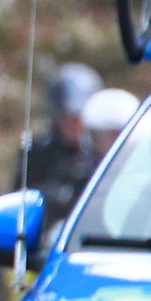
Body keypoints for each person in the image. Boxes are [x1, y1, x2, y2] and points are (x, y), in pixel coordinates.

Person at [14, 63, 102, 241]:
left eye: (80, 119)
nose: (76, 127)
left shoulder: (103, 154)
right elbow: (19, 202)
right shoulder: (36, 152)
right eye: (69, 119)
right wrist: (59, 195)